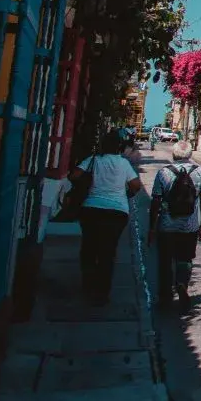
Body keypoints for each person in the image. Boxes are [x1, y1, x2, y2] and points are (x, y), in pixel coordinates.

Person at [70, 128, 143, 305]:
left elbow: (74, 176)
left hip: (91, 209)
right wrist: (126, 195)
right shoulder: (123, 164)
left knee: (88, 249)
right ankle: (102, 292)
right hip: (116, 212)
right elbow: (136, 185)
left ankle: (88, 285)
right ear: (119, 146)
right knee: (108, 252)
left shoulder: (93, 160)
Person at [149, 144, 201, 309]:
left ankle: (165, 297)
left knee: (165, 261)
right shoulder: (199, 172)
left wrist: (152, 227)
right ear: (189, 154)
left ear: (174, 154)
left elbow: (155, 201)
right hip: (189, 226)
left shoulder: (164, 172)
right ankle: (182, 283)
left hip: (166, 226)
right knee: (186, 259)